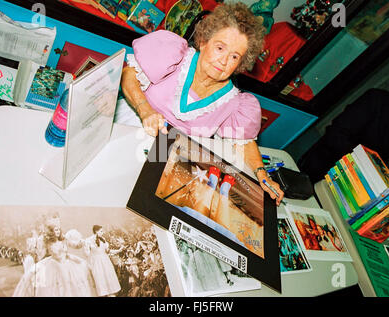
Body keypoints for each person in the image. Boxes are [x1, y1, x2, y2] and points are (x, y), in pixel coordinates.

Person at [119, 2, 284, 206]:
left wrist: (262, 175)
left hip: (166, 159)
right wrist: (145, 110)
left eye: (234, 56)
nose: (223, 61)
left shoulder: (234, 103)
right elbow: (129, 75)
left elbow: (244, 142)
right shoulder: (174, 55)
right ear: (204, 41)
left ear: (240, 63)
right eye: (220, 48)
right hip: (129, 126)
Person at [298, 88, 389, 198]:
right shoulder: (379, 100)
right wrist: (367, 164)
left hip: (372, 200)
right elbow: (335, 134)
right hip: (327, 176)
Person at [84, 225, 121, 297]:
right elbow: (87, 254)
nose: (103, 233)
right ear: (96, 231)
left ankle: (111, 294)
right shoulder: (88, 240)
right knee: (100, 279)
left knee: (108, 277)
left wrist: (118, 250)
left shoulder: (103, 239)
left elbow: (108, 251)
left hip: (105, 261)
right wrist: (85, 246)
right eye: (101, 231)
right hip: (96, 263)